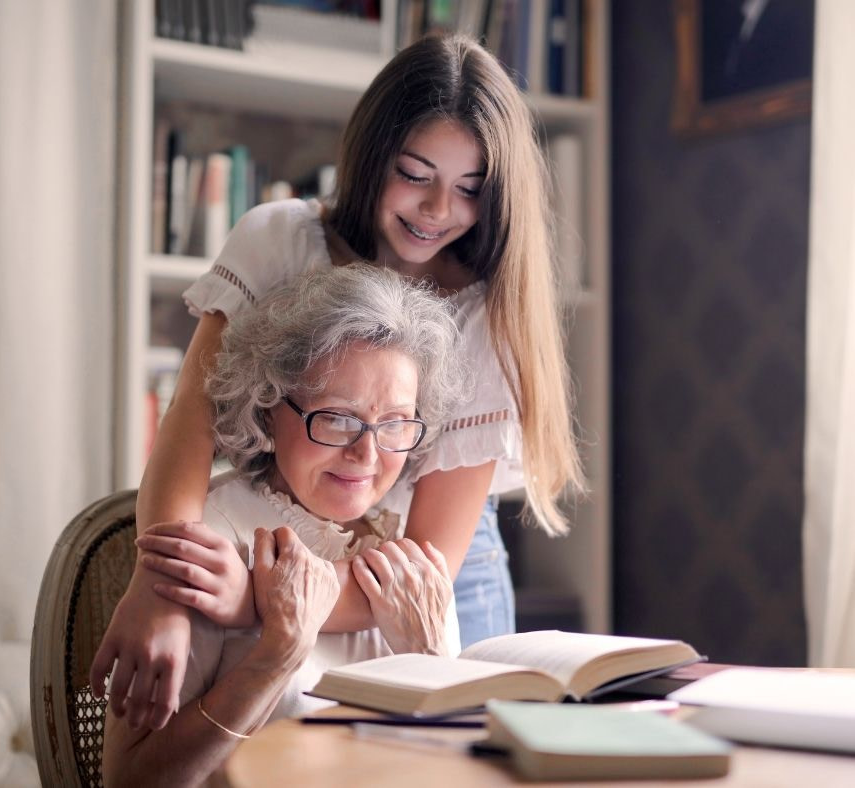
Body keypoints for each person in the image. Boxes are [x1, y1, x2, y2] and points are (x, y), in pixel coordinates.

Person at [92, 31, 583, 731]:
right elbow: (188, 432)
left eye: (469, 189)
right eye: (415, 174)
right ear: (371, 155)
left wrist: (251, 601)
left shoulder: (485, 313)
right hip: (280, 537)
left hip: (431, 575)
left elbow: (430, 561)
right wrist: (161, 586)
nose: (438, 210)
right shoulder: (279, 241)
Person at [103, 266, 460, 786]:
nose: (367, 453)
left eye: (395, 424)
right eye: (338, 417)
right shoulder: (209, 541)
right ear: (269, 408)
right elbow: (130, 779)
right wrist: (274, 658)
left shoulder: (410, 560)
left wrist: (430, 660)